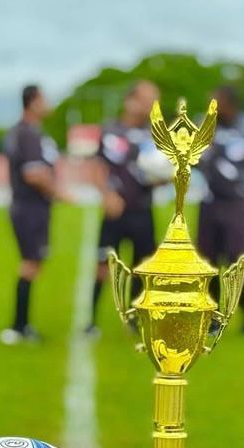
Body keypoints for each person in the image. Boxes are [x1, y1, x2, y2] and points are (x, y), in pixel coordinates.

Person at [85, 80, 162, 337]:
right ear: (131, 101)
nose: (153, 104)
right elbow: (97, 167)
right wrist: (107, 195)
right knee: (104, 266)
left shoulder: (154, 134)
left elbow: (163, 172)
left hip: (142, 211)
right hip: (115, 213)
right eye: (148, 98)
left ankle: (134, 318)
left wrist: (163, 175)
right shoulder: (111, 131)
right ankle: (91, 321)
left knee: (142, 267)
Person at [197, 84, 244, 335]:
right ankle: (214, 318)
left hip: (235, 206)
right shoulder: (203, 125)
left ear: (230, 104)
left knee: (237, 262)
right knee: (209, 264)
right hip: (208, 205)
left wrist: (243, 187)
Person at [1, 84, 62, 345]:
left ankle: (21, 325)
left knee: (33, 264)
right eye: (44, 98)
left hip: (31, 208)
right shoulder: (27, 134)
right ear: (34, 102)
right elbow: (33, 173)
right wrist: (58, 191)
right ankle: (19, 327)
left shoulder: (28, 133)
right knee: (30, 264)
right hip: (29, 208)